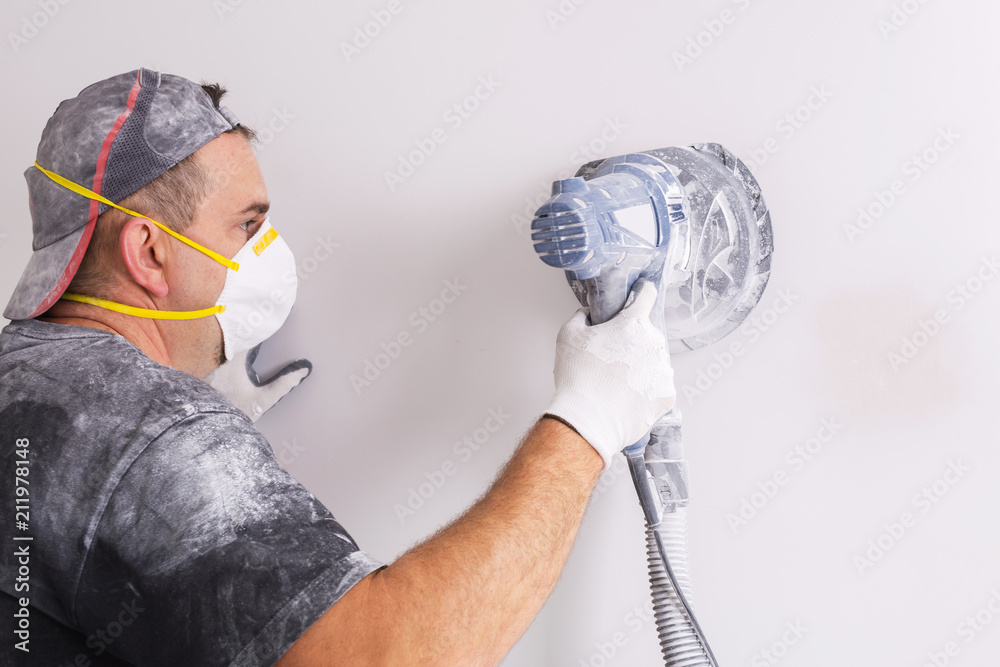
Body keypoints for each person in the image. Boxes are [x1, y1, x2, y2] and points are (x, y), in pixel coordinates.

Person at [0, 68, 675, 666]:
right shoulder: (147, 429)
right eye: (246, 226)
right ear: (149, 253)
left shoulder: (24, 384)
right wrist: (588, 418)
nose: (268, 251)